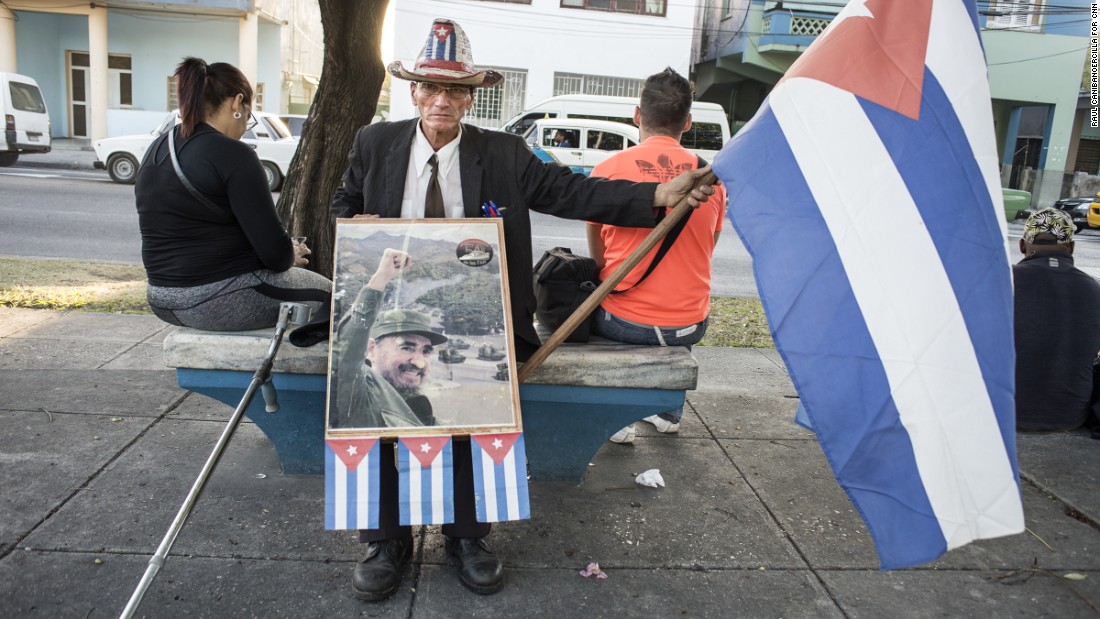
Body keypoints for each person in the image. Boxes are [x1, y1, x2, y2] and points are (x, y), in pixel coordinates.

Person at [329, 19, 716, 601]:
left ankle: (467, 538)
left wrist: (654, 196)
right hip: (394, 315)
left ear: (471, 96)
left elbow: (574, 192)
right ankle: (387, 541)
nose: (441, 100)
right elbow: (341, 204)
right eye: (430, 87)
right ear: (412, 91)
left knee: (470, 419)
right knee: (381, 418)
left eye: (455, 90)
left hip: (480, 314)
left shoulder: (505, 153)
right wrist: (352, 227)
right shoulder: (373, 144)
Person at [135, 57, 330, 332]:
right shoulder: (235, 155)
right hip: (215, 299)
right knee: (337, 298)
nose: (245, 126)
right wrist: (290, 253)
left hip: (161, 300)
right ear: (237, 103)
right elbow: (274, 255)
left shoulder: (158, 148)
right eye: (248, 116)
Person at [587, 68, 726, 445]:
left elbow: (599, 259)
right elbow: (707, 249)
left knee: (596, 302)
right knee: (681, 304)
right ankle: (668, 413)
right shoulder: (711, 177)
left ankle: (616, 418)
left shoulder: (607, 170)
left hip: (625, 324)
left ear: (637, 115)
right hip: (689, 324)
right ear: (689, 122)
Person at [330, 249, 446, 429]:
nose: (420, 362)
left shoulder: (419, 407)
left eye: (426, 351)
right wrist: (381, 278)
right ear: (372, 349)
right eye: (406, 347)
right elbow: (346, 353)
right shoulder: (360, 393)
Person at [1014, 207, 1100, 431]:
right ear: (1071, 247)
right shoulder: (1094, 289)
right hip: (1069, 417)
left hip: (1007, 412)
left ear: (1023, 246)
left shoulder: (1004, 281)